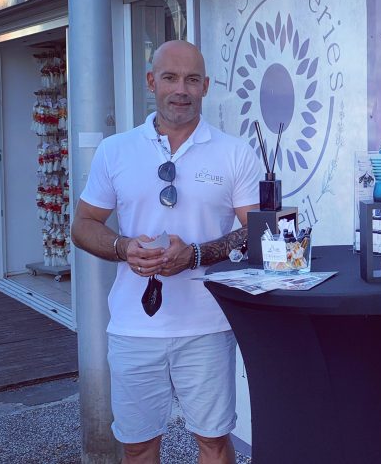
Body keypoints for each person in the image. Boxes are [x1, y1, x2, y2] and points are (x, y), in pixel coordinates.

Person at [71, 40, 261, 463]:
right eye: (171, 78)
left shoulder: (234, 153)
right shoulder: (116, 150)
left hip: (207, 325)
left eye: (192, 79)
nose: (181, 89)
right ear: (151, 82)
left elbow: (258, 232)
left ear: (206, 86)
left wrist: (194, 255)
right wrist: (123, 248)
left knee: (212, 440)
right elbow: (82, 225)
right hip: (134, 327)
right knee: (138, 445)